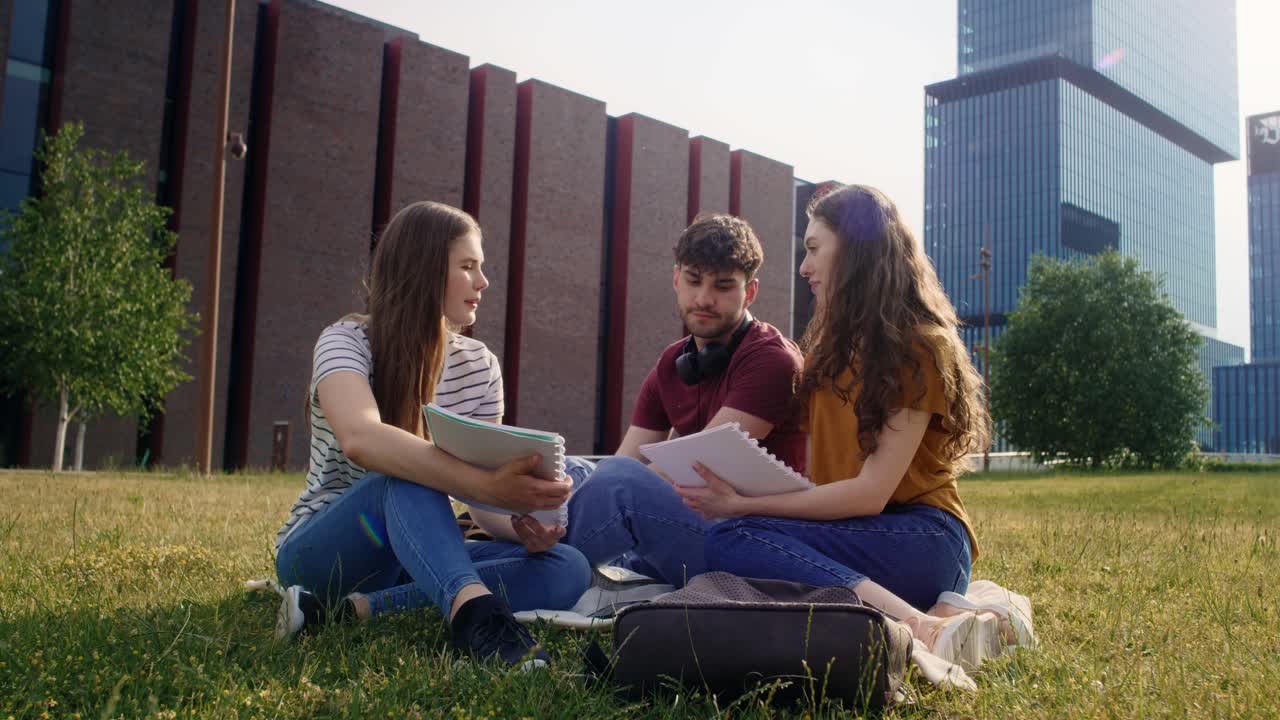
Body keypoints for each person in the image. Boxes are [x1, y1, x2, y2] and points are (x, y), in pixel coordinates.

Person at [679, 185, 998, 663]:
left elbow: (870, 492)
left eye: (813, 249)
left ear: (856, 249)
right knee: (732, 541)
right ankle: (929, 616)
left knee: (735, 535)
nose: (804, 266)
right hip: (855, 534)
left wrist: (743, 504)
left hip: (924, 537)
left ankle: (919, 625)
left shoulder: (918, 347)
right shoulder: (829, 353)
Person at [272, 201, 589, 668]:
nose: (483, 283)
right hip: (326, 556)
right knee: (406, 472)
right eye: (467, 267)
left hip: (417, 552)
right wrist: (481, 484)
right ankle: (478, 619)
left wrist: (523, 526)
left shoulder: (479, 366)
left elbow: (485, 504)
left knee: (567, 567)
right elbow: (362, 437)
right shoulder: (345, 341)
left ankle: (350, 613)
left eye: (482, 268)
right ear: (422, 270)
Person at [564, 213, 805, 586]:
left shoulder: (772, 359)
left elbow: (695, 468)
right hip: (688, 530)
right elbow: (628, 457)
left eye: (723, 286)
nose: (704, 298)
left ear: (750, 292)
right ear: (677, 279)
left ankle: (551, 565)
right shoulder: (672, 362)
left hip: (752, 543)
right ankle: (543, 556)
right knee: (569, 469)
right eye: (693, 281)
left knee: (618, 483)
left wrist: (602, 497)